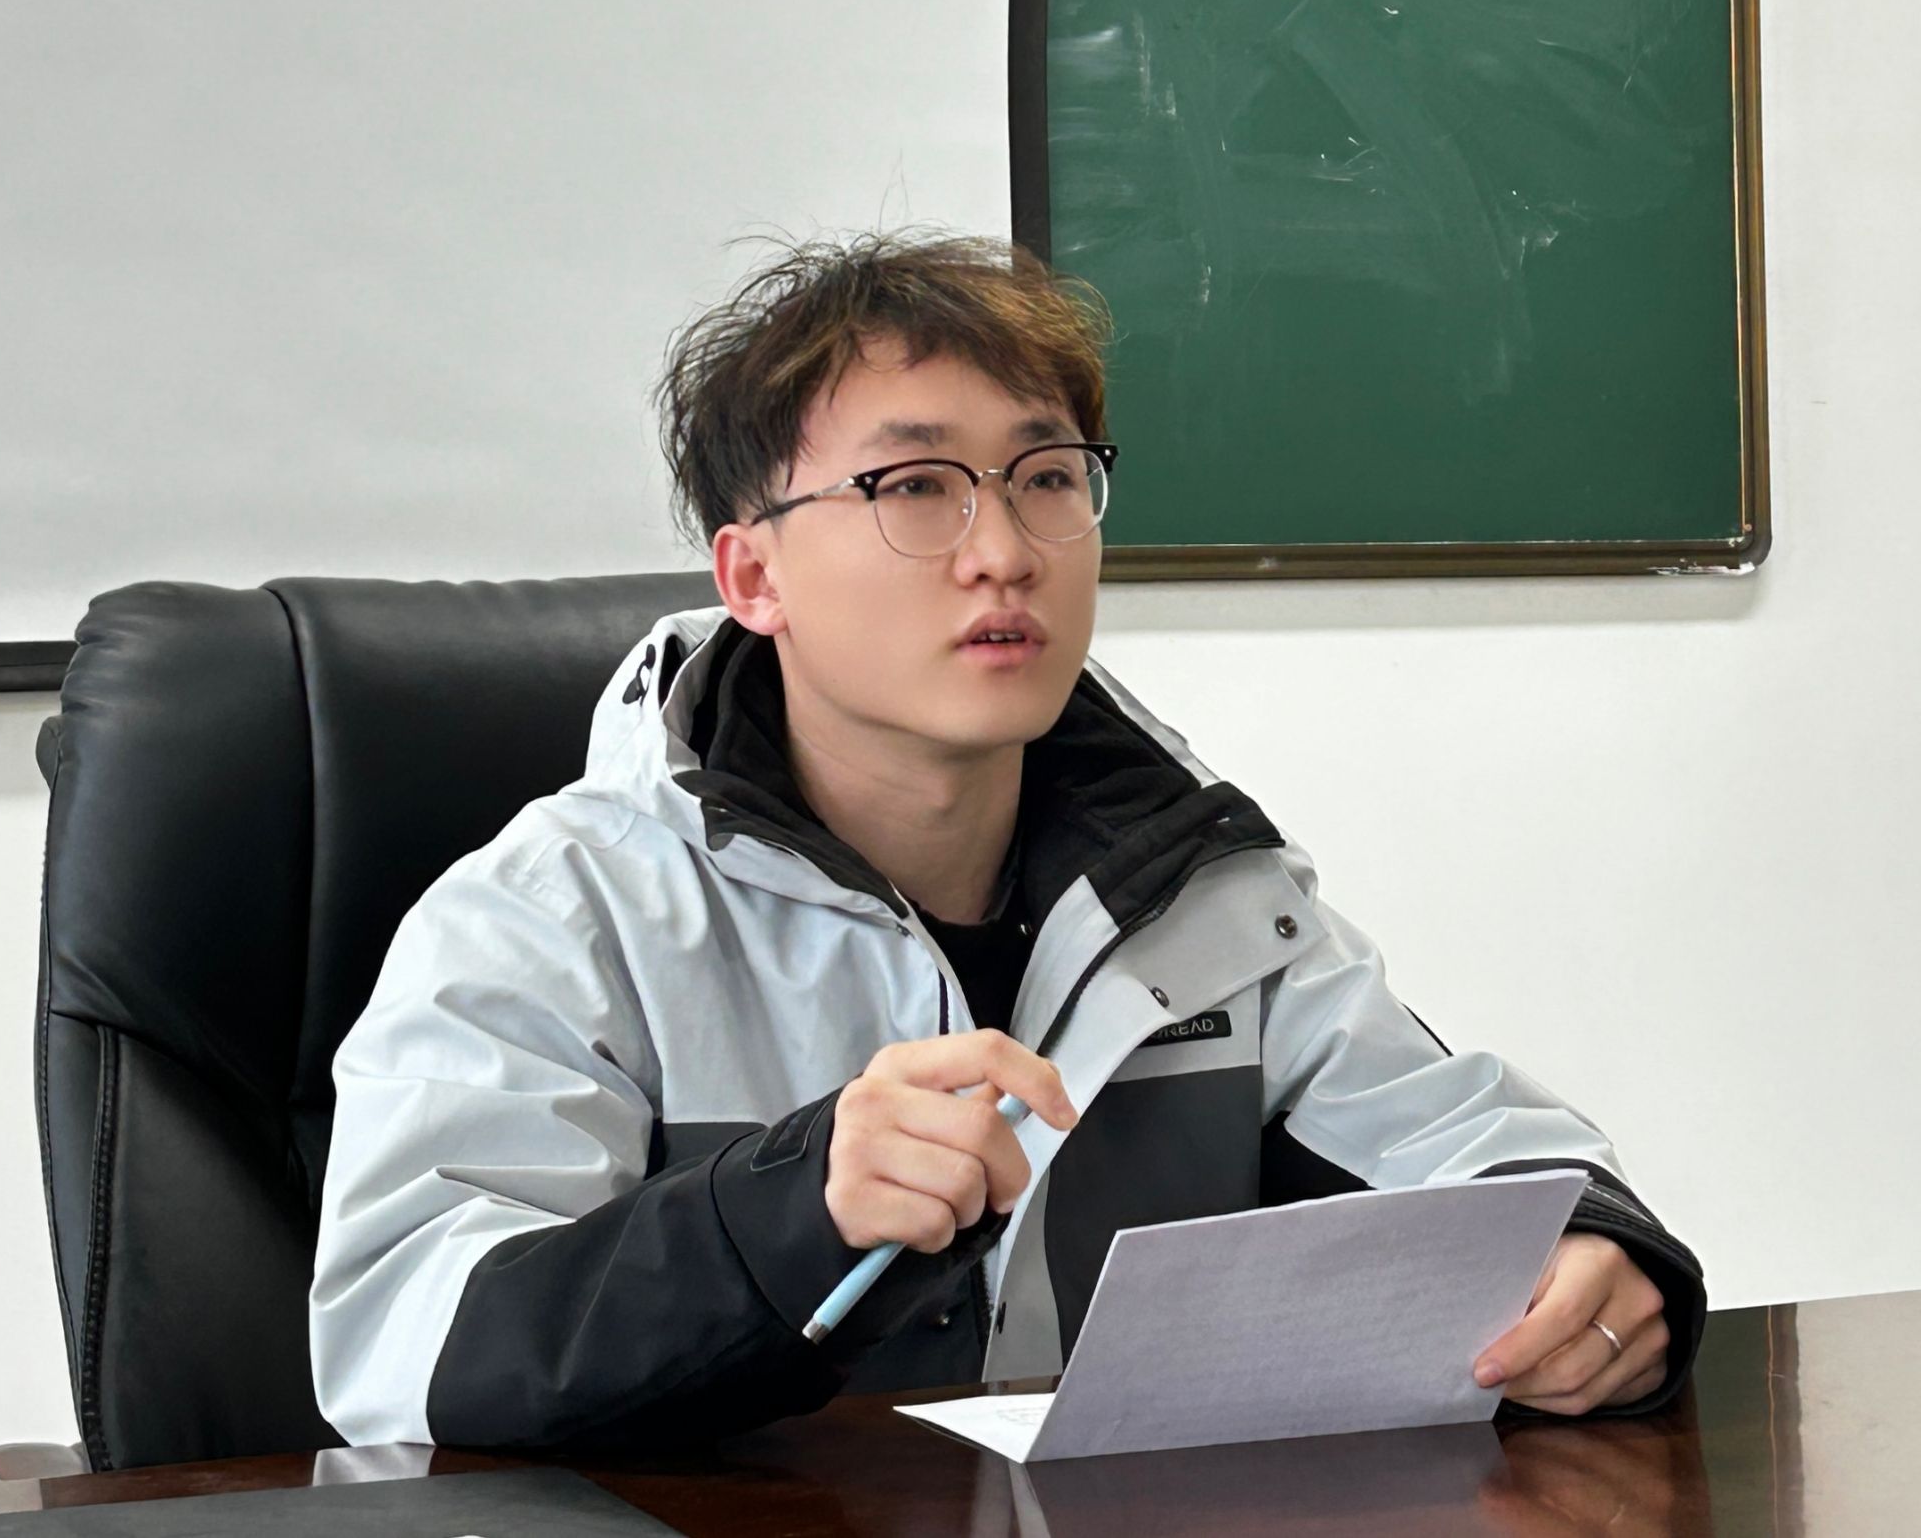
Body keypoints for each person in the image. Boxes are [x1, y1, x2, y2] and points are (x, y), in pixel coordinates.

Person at [308, 232, 1704, 1451]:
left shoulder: (1199, 892)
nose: (1005, 550)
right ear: (754, 575)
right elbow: (402, 1347)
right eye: (915, 487)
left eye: (1046, 475)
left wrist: (1598, 1261)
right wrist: (788, 1212)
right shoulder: (556, 912)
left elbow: (1466, 1147)